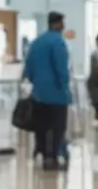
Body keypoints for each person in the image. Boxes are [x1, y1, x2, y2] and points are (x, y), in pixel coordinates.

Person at [22, 12, 74, 169]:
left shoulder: (36, 42)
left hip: (38, 94)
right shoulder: (58, 42)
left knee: (41, 127)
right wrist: (65, 87)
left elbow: (28, 69)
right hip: (56, 94)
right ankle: (53, 156)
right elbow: (62, 70)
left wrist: (36, 83)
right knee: (58, 127)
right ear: (58, 24)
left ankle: (44, 154)